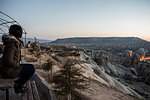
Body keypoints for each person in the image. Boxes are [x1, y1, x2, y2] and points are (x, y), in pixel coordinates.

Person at [0, 24, 35, 94]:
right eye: (20, 31)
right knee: (31, 70)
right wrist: (17, 65)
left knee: (31, 67)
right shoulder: (12, 43)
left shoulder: (13, 42)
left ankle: (18, 84)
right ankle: (18, 86)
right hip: (8, 71)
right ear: (18, 32)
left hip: (9, 68)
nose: (21, 32)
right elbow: (8, 60)